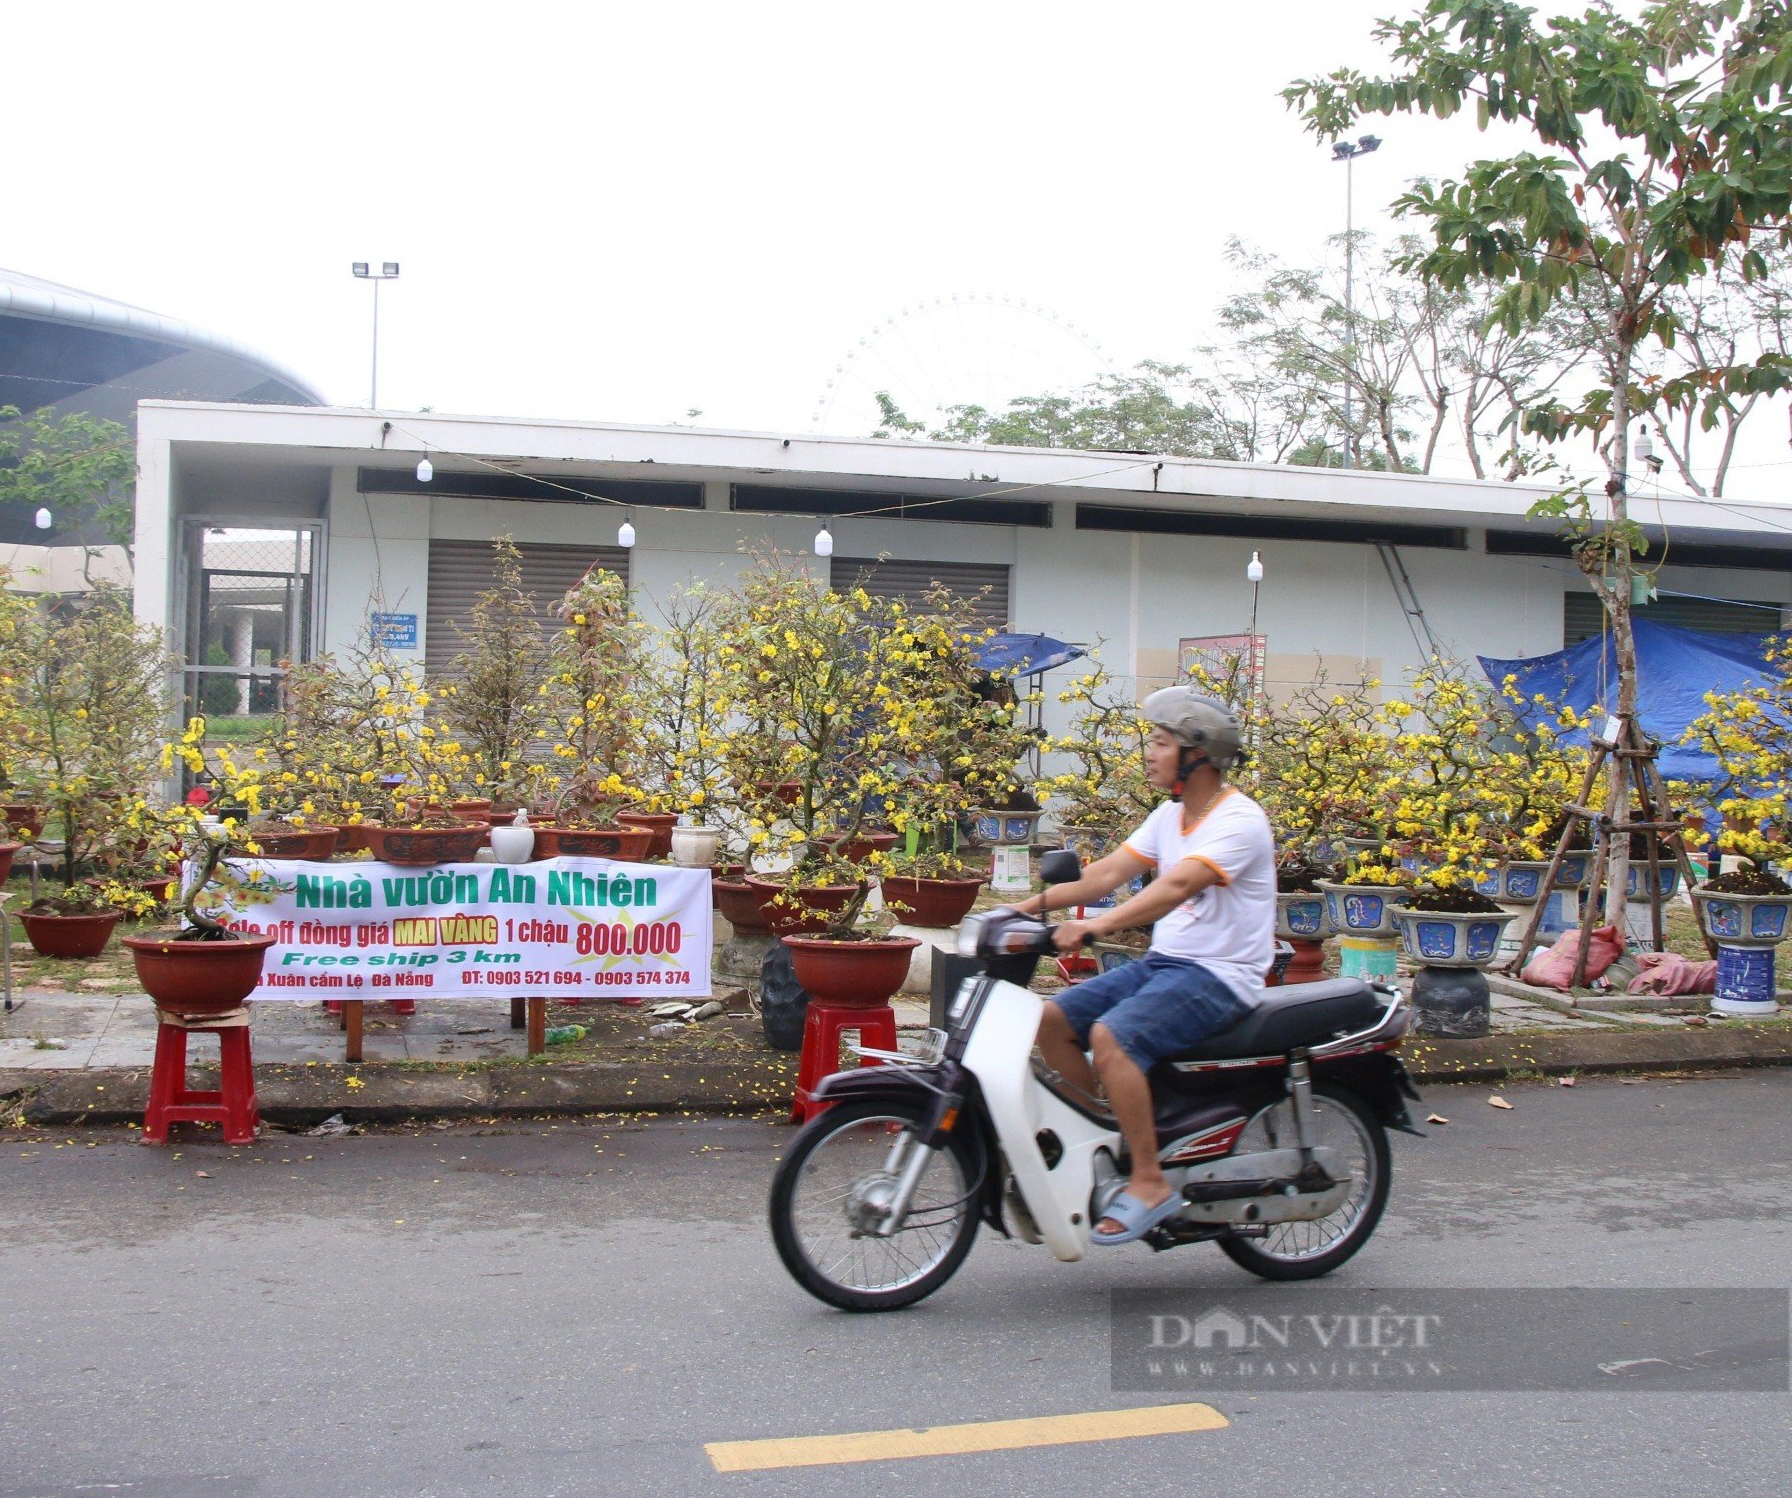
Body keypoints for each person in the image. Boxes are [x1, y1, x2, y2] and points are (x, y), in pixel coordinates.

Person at [1017, 687, 1275, 1245]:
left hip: (1220, 975)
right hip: (1167, 965)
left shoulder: (1240, 821)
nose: (1150, 754)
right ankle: (1099, 1145)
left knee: (1112, 1037)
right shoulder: (1169, 816)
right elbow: (1104, 875)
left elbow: (1178, 885)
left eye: (1160, 743)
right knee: (1053, 1020)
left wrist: (1097, 926)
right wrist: (1021, 910)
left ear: (1196, 754)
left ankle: (1149, 1180)